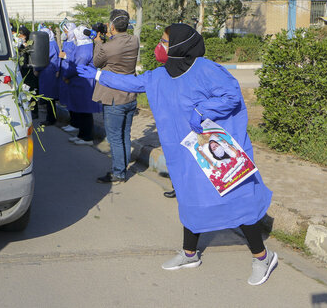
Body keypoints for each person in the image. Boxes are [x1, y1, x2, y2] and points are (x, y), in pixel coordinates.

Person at [77, 23, 276, 286]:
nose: (161, 47)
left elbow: (231, 96)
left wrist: (203, 110)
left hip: (211, 149)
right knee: (190, 199)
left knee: (234, 197)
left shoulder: (206, 69)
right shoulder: (160, 76)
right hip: (183, 153)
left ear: (182, 45)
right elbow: (133, 82)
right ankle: (189, 254)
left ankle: (262, 257)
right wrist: (100, 76)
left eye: (165, 42)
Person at [91, 9, 139, 183]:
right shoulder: (134, 40)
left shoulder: (107, 47)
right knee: (125, 134)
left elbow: (96, 62)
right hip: (130, 95)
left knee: (114, 138)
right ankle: (123, 165)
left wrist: (97, 42)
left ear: (111, 25)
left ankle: (118, 172)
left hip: (113, 98)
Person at [63, 25, 102, 145]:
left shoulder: (84, 48)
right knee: (81, 109)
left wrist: (67, 75)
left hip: (83, 82)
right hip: (79, 82)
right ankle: (82, 135)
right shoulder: (83, 45)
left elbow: (77, 66)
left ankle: (87, 138)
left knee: (85, 111)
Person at [35, 25, 60, 126]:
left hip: (48, 72)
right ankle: (50, 118)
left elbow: (43, 58)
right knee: (49, 97)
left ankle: (51, 119)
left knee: (50, 98)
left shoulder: (49, 44)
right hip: (49, 72)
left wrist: (37, 69)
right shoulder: (51, 43)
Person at [58, 22, 78, 134]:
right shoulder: (66, 42)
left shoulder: (75, 43)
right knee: (68, 100)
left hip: (71, 74)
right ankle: (72, 122)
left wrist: (65, 56)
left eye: (66, 31)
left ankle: (75, 123)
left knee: (73, 100)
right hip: (65, 72)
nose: (64, 33)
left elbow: (76, 57)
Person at [17, 25, 39, 119]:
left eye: (22, 35)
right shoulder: (17, 44)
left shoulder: (31, 44)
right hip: (19, 71)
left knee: (31, 91)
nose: (20, 37)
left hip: (28, 71)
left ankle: (34, 111)